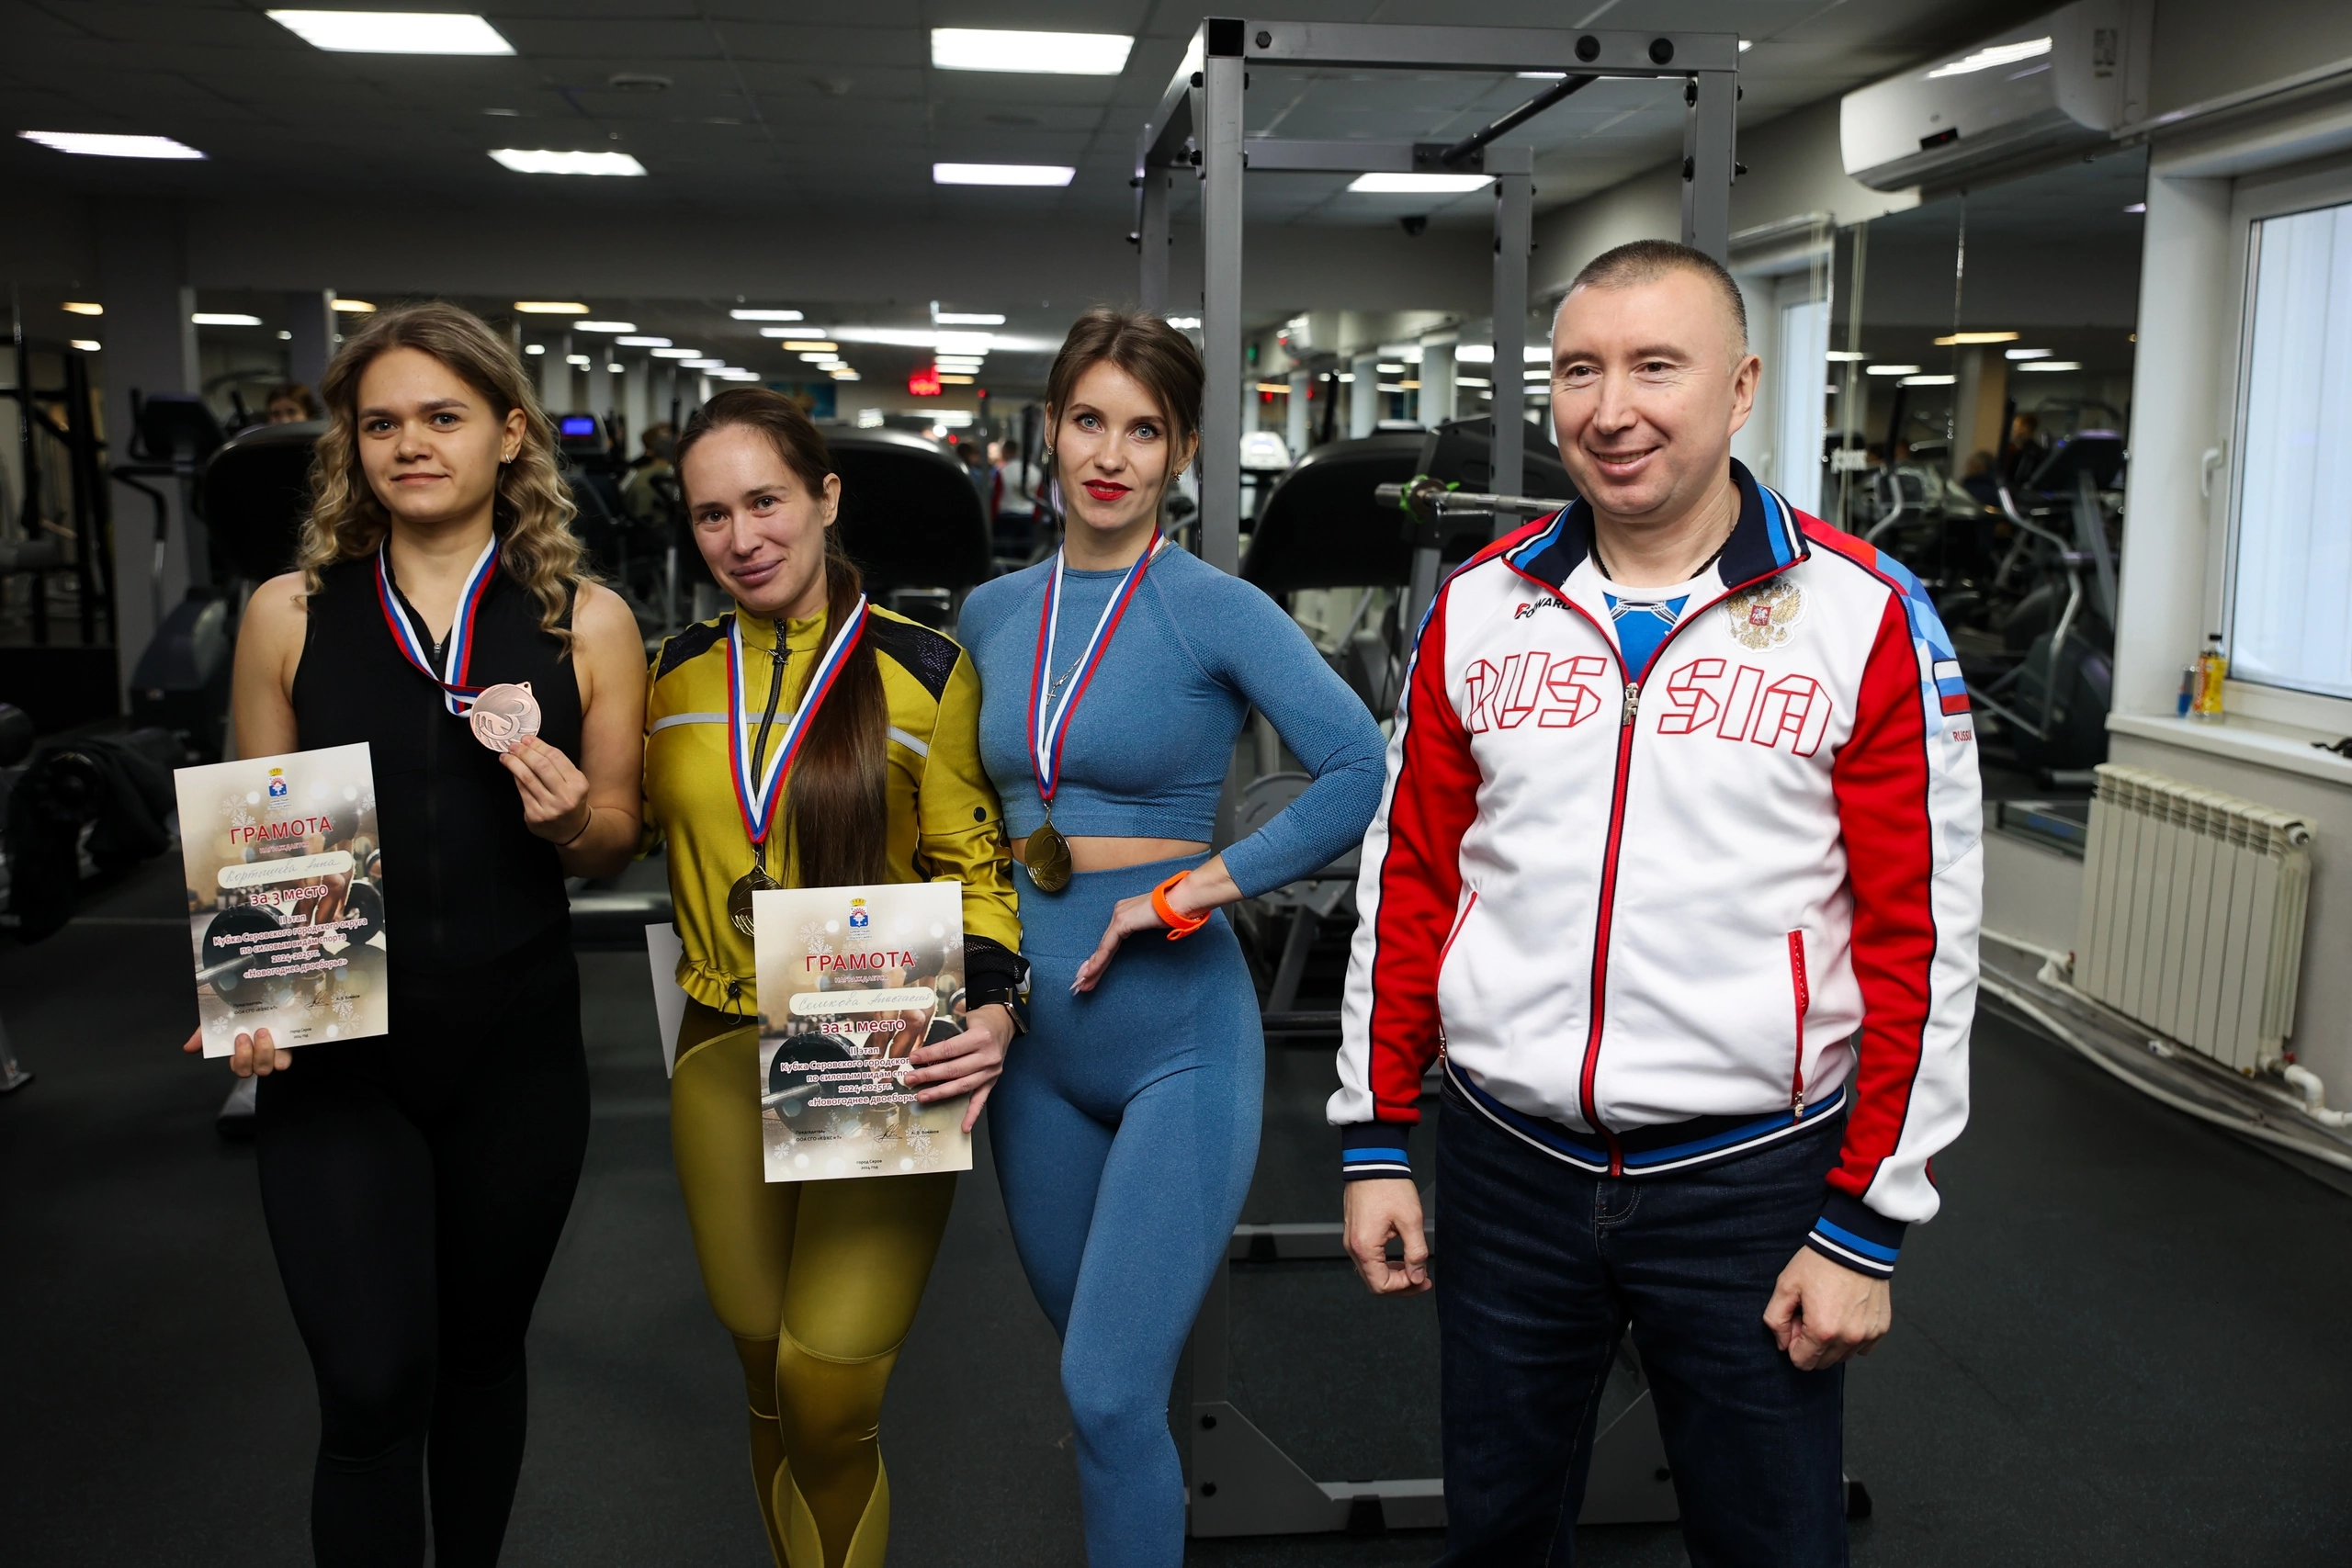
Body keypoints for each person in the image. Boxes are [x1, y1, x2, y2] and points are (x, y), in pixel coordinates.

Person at [1333, 240, 1979, 1565]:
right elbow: (1410, 883)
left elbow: (1922, 938)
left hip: (1749, 1177)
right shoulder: (1479, 608)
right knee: (1497, 1533)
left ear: (1740, 387)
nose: (1611, 408)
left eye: (1654, 367)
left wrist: (1869, 1219)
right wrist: (1378, 1132)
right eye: (1580, 370)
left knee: (1770, 1541)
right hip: (1509, 1161)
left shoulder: (1861, 616)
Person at [182, 301, 647, 1565]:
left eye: (443, 417)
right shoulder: (289, 612)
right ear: (353, 444)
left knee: (482, 1355)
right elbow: (260, 830)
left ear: (510, 433)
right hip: (345, 1061)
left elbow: (614, 838)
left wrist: (570, 819)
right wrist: (250, 989)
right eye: (381, 423)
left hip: (516, 1051)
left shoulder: (585, 620)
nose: (411, 445)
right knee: (373, 1381)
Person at [957, 308, 1385, 1567]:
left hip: (1177, 1040)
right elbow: (954, 809)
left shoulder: (1215, 608)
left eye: (1143, 431)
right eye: (1089, 421)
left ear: (1183, 450)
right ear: (1050, 429)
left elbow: (1356, 767)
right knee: (1107, 1390)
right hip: (1031, 1040)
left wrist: (1197, 888)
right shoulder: (991, 612)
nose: (1111, 454)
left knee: (1101, 1390)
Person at [639, 387, 1024, 1568]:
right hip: (715, 1041)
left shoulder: (923, 670)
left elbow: (974, 868)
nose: (741, 537)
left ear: (825, 497)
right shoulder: (672, 676)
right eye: (711, 515)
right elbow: (615, 830)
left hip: (878, 1044)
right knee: (764, 1376)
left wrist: (997, 1004)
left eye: (765, 502)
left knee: (825, 1389)